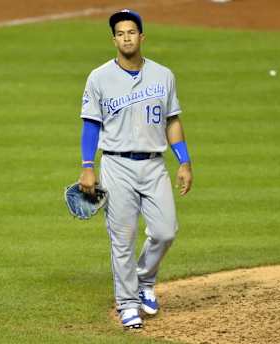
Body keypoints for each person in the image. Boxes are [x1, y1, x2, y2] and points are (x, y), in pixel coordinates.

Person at [78, 9, 193, 329]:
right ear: (113, 39)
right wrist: (88, 166)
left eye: (132, 32)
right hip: (116, 164)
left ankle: (144, 281)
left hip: (154, 165)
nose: (126, 37)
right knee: (122, 238)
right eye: (120, 33)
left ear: (142, 36)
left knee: (165, 230)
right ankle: (127, 303)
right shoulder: (98, 77)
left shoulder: (163, 75)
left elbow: (173, 120)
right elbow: (90, 125)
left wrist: (183, 160)